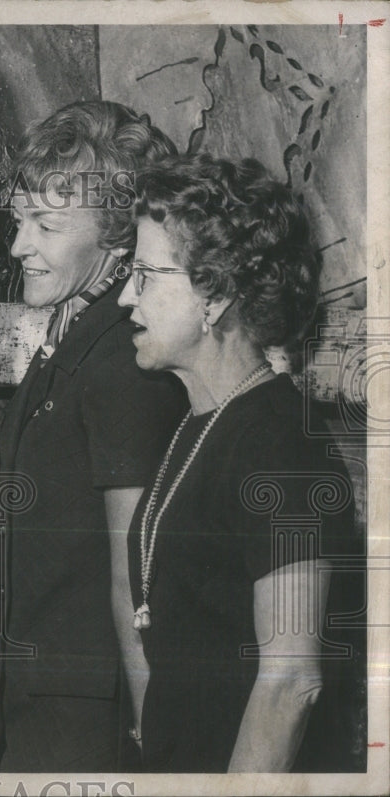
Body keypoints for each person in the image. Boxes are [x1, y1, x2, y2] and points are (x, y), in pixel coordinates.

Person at [116, 154, 366, 772]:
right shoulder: (201, 424)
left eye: (147, 274)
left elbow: (292, 683)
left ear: (218, 292)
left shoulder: (280, 448)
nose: (125, 296)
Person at [0, 101, 187, 772]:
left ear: (115, 232)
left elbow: (134, 580)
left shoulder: (122, 362)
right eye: (20, 220)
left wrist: (151, 738)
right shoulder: (79, 332)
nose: (19, 245)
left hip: (87, 714)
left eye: (45, 225)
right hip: (44, 691)